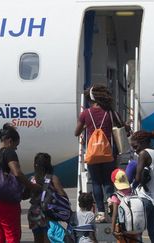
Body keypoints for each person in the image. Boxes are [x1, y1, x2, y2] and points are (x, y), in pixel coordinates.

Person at [0, 123, 39, 243]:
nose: (16, 148)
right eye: (16, 145)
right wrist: (32, 186)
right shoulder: (9, 152)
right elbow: (17, 173)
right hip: (4, 201)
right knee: (12, 236)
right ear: (10, 141)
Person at [74, 84, 116, 222]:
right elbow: (121, 126)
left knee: (97, 183)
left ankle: (101, 212)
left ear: (91, 98)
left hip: (92, 154)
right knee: (108, 181)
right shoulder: (109, 112)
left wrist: (87, 125)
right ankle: (111, 201)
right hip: (108, 153)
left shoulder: (86, 113)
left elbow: (76, 133)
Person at [130, 130, 154, 243]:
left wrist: (131, 188)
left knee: (136, 231)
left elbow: (138, 177)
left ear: (143, 142)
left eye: (135, 146)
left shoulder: (143, 154)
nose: (135, 149)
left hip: (146, 198)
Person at [28, 152, 67, 243]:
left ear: (35, 164)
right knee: (48, 237)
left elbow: (25, 194)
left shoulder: (31, 179)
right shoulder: (52, 178)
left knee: (37, 239)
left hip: (34, 212)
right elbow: (62, 195)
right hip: (47, 212)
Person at [109, 169, 139, 243]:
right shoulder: (133, 192)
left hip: (121, 227)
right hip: (134, 225)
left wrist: (112, 229)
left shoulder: (116, 196)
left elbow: (115, 214)